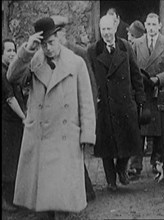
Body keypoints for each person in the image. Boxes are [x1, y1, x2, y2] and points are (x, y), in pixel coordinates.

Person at [7, 17, 96, 219]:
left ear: (59, 38)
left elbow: (86, 102)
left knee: (62, 195)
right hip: (39, 135)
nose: (48, 48)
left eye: (51, 43)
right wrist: (27, 49)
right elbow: (12, 77)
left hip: (66, 136)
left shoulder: (76, 63)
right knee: (43, 197)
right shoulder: (34, 60)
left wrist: (87, 135)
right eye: (43, 44)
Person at [87, 15, 145, 192]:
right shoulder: (93, 50)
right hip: (104, 103)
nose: (106, 33)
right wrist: (93, 97)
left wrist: (140, 99)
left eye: (108, 29)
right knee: (106, 146)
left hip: (124, 103)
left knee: (128, 141)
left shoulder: (126, 47)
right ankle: (111, 180)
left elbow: (136, 75)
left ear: (115, 28)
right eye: (102, 29)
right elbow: (89, 76)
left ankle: (121, 168)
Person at [51, 14, 97, 201]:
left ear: (63, 33)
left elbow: (90, 87)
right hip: (56, 116)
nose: (53, 40)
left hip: (74, 114)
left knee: (73, 155)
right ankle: (82, 191)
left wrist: (89, 118)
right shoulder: (48, 54)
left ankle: (84, 191)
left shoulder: (78, 53)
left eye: (57, 34)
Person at [132, 12, 164, 174]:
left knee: (158, 128)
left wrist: (157, 79)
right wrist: (140, 81)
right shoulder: (136, 44)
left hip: (158, 92)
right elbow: (131, 66)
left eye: (154, 25)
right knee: (140, 127)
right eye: (149, 25)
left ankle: (156, 160)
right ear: (145, 26)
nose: (151, 28)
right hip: (141, 91)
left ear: (160, 26)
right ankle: (136, 164)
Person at [2, 39, 26, 211]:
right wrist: (24, 117)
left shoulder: (11, 70)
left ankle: (13, 198)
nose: (11, 53)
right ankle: (6, 200)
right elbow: (10, 99)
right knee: (9, 161)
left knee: (14, 160)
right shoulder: (3, 73)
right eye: (8, 50)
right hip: (7, 123)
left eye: (13, 50)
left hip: (14, 123)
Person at [125, 20, 147, 178]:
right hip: (132, 93)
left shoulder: (139, 48)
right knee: (135, 131)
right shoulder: (128, 48)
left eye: (132, 35)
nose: (129, 37)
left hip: (144, 92)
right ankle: (135, 164)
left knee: (144, 129)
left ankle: (155, 161)